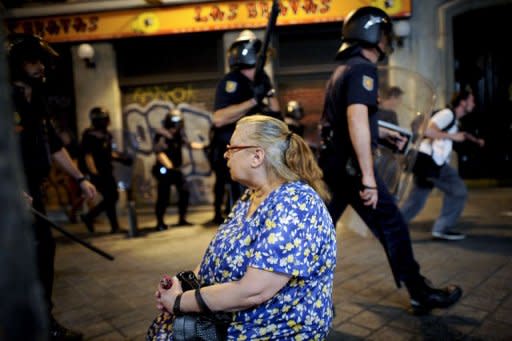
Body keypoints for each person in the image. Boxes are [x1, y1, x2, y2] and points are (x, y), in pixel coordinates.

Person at [317, 6, 462, 315]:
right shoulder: (362, 69)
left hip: (335, 167)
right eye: (384, 34)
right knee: (392, 224)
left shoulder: (344, 69)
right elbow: (356, 117)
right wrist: (368, 177)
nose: (387, 41)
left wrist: (382, 134)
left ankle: (272, 288)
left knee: (315, 231)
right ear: (371, 34)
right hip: (353, 170)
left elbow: (348, 121)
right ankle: (419, 293)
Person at [151, 115, 336, 340]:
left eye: (232, 148)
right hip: (230, 321)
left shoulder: (295, 204)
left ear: (257, 156)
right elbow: (218, 253)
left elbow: (253, 291)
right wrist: (184, 282)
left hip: (271, 331)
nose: (225, 154)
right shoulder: (251, 196)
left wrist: (180, 302)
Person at [8, 33, 96, 340]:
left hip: (33, 191)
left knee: (43, 253)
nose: (41, 67)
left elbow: (55, 146)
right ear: (15, 64)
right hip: (11, 195)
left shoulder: (37, 100)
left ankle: (44, 324)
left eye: (42, 61)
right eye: (33, 61)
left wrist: (80, 178)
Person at [209, 29, 281, 224]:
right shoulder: (231, 81)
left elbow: (276, 114)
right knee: (238, 198)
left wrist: (269, 92)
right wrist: (253, 100)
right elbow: (218, 118)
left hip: (257, 152)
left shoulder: (262, 79)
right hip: (234, 151)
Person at [400, 90, 484, 240]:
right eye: (471, 100)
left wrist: (475, 140)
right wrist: (453, 136)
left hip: (425, 162)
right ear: (463, 102)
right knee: (458, 191)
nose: (474, 104)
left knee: (416, 200)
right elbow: (426, 130)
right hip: (430, 161)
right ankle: (442, 228)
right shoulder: (447, 114)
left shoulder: (453, 119)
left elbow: (458, 135)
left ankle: (390, 227)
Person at [79, 106, 124, 234]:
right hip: (98, 173)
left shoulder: (106, 135)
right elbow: (88, 156)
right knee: (111, 197)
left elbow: (109, 153)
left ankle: (111, 226)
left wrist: (122, 159)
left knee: (112, 197)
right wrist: (94, 173)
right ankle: (91, 217)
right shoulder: (89, 135)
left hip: (107, 170)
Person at [152, 109, 193, 230]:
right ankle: (160, 222)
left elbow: (188, 144)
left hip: (175, 169)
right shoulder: (161, 135)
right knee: (163, 195)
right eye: (177, 122)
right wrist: (168, 165)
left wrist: (205, 146)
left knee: (184, 191)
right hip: (164, 170)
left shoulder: (178, 135)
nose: (179, 125)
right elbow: (159, 153)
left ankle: (182, 219)